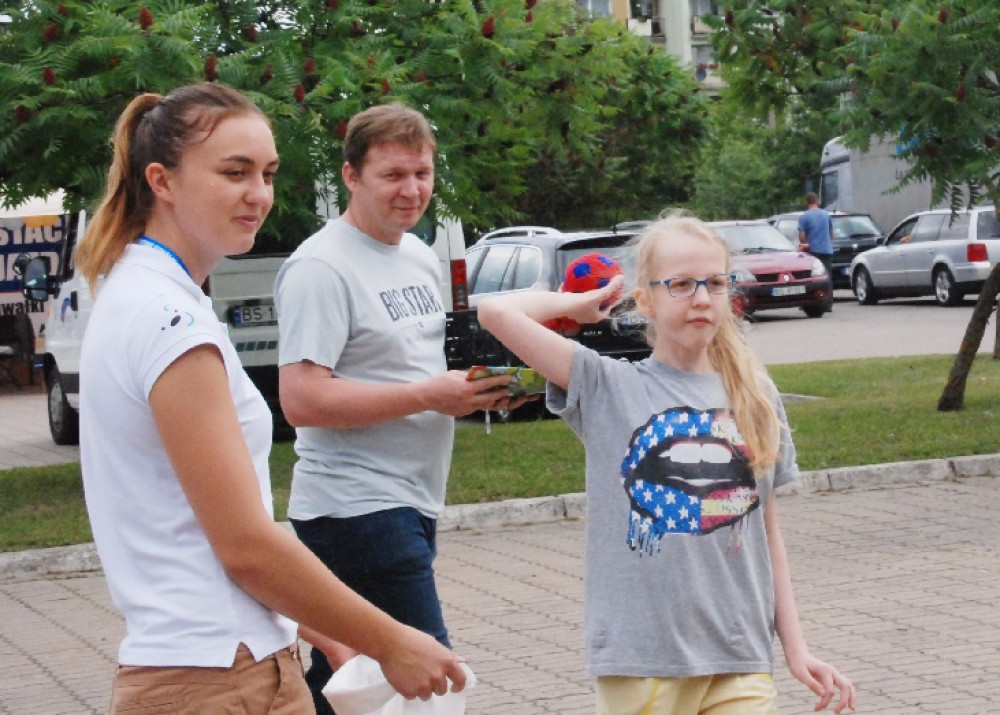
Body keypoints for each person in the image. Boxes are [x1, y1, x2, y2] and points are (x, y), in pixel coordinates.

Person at [76, 83, 466, 714]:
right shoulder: (168, 320)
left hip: (228, 662)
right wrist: (390, 640)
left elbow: (201, 530)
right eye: (235, 172)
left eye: (267, 173)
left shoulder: (152, 296)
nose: (258, 193)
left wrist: (326, 632)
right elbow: (244, 546)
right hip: (215, 679)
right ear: (162, 181)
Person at [476, 213, 857, 715]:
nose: (700, 298)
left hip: (740, 660)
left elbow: (767, 536)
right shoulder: (607, 385)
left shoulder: (756, 394)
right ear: (645, 299)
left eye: (714, 283)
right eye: (680, 284)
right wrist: (578, 306)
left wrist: (796, 648)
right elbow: (494, 311)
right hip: (644, 664)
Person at [275, 102, 519, 713]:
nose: (411, 190)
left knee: (354, 685)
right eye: (392, 175)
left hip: (410, 500)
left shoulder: (415, 254)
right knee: (429, 685)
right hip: (355, 511)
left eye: (422, 173)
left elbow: (409, 369)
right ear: (351, 177)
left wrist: (472, 392)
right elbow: (301, 399)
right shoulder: (320, 268)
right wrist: (427, 395)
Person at [798, 192, 835, 312]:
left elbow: (802, 236)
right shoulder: (826, 214)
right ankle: (828, 304)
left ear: (806, 202)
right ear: (817, 201)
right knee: (827, 276)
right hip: (826, 249)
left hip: (812, 251)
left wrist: (805, 243)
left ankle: (811, 302)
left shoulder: (804, 217)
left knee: (811, 278)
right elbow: (831, 233)